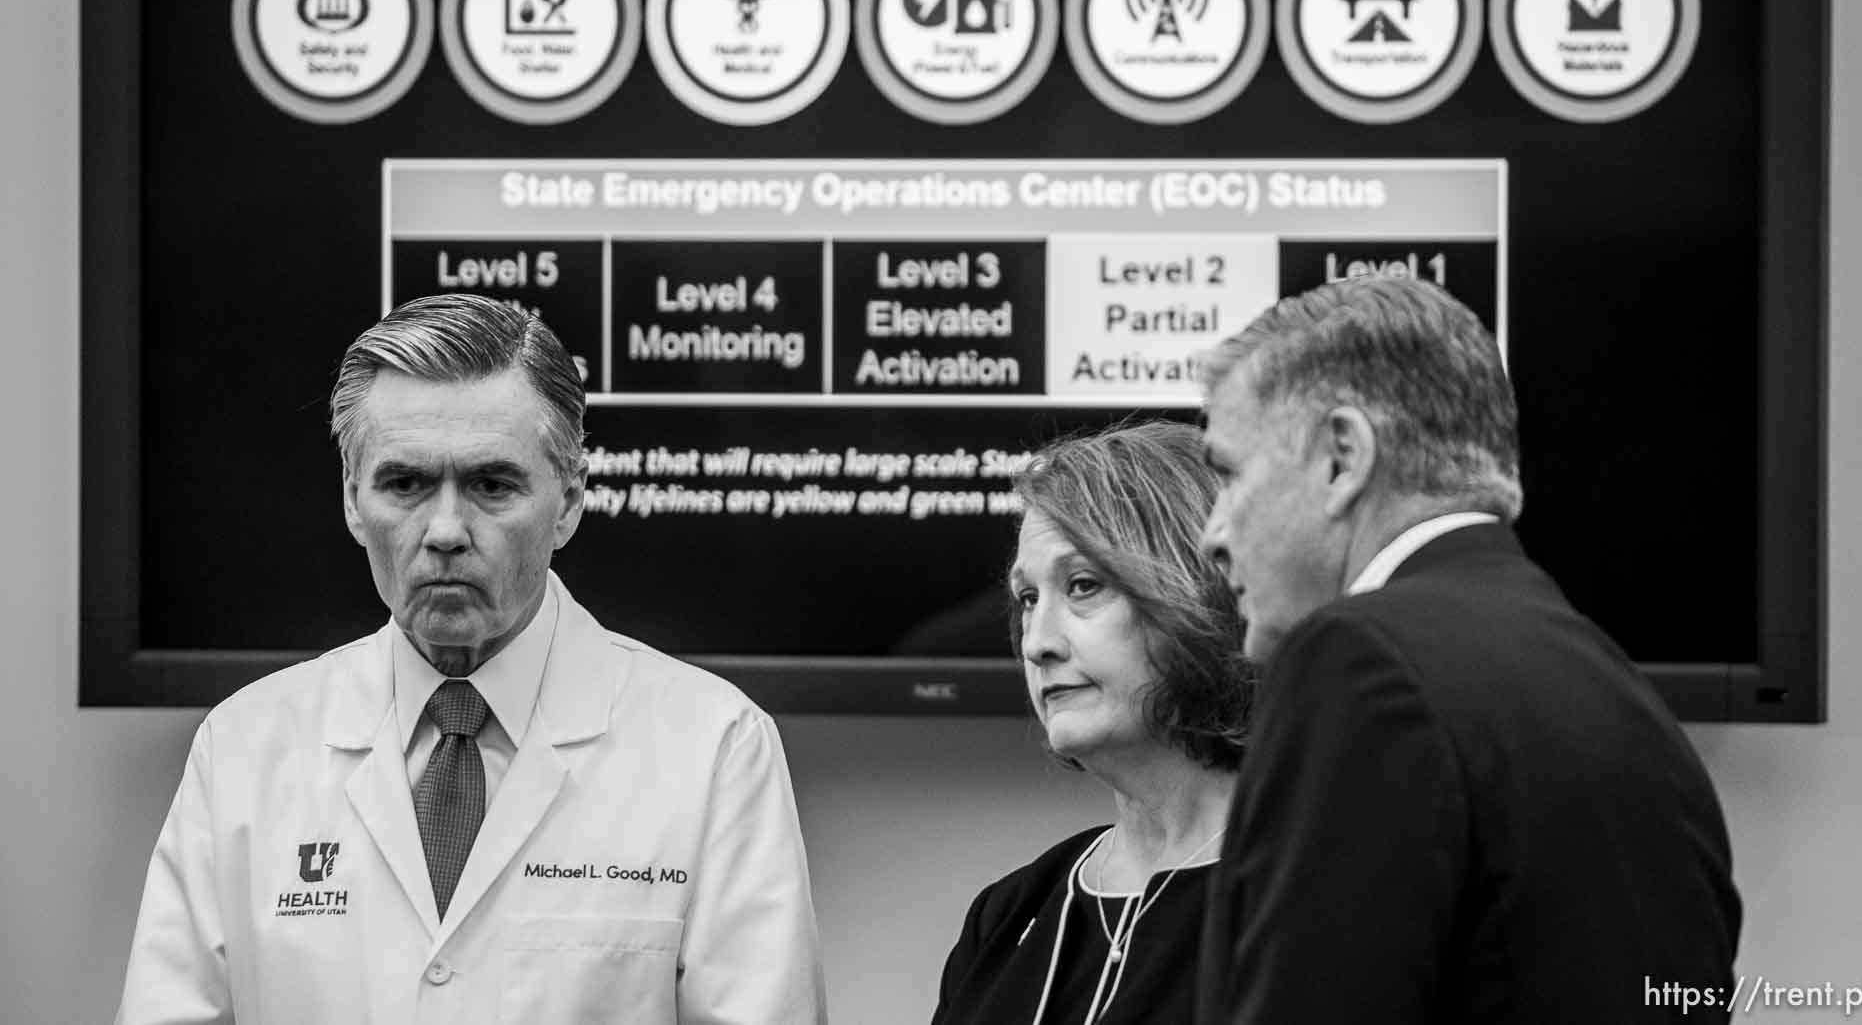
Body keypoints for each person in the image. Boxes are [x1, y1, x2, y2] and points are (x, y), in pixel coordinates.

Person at [116, 293, 825, 1025]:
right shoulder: (244, 747)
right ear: (353, 502)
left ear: (571, 498)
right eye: (405, 484)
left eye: (491, 484)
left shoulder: (713, 746)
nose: (446, 530)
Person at [1193, 277, 1741, 1024]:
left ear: (1340, 458)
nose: (1212, 533)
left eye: (1227, 473)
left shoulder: (1360, 662)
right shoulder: (1620, 692)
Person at [933, 420, 1253, 1025]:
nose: (1037, 644)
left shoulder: (1316, 898)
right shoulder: (1008, 913)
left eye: (1083, 586)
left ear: (1201, 591)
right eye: (1028, 600)